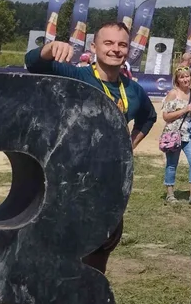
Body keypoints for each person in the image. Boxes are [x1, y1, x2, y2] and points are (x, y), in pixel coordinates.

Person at [25, 21, 157, 272]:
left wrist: (128, 146)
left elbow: (148, 117)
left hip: (109, 182)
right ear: (94, 46)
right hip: (68, 180)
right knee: (60, 251)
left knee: (100, 249)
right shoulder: (76, 76)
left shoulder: (134, 90)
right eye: (108, 43)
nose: (116, 49)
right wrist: (49, 49)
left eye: (122, 45)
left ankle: (88, 301)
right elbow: (33, 63)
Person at [161, 65, 191, 205]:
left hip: (190, 135)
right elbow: (166, 117)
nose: (186, 79)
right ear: (177, 80)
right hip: (174, 134)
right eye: (182, 77)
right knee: (172, 165)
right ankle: (170, 194)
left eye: (187, 76)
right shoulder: (173, 94)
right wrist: (184, 110)